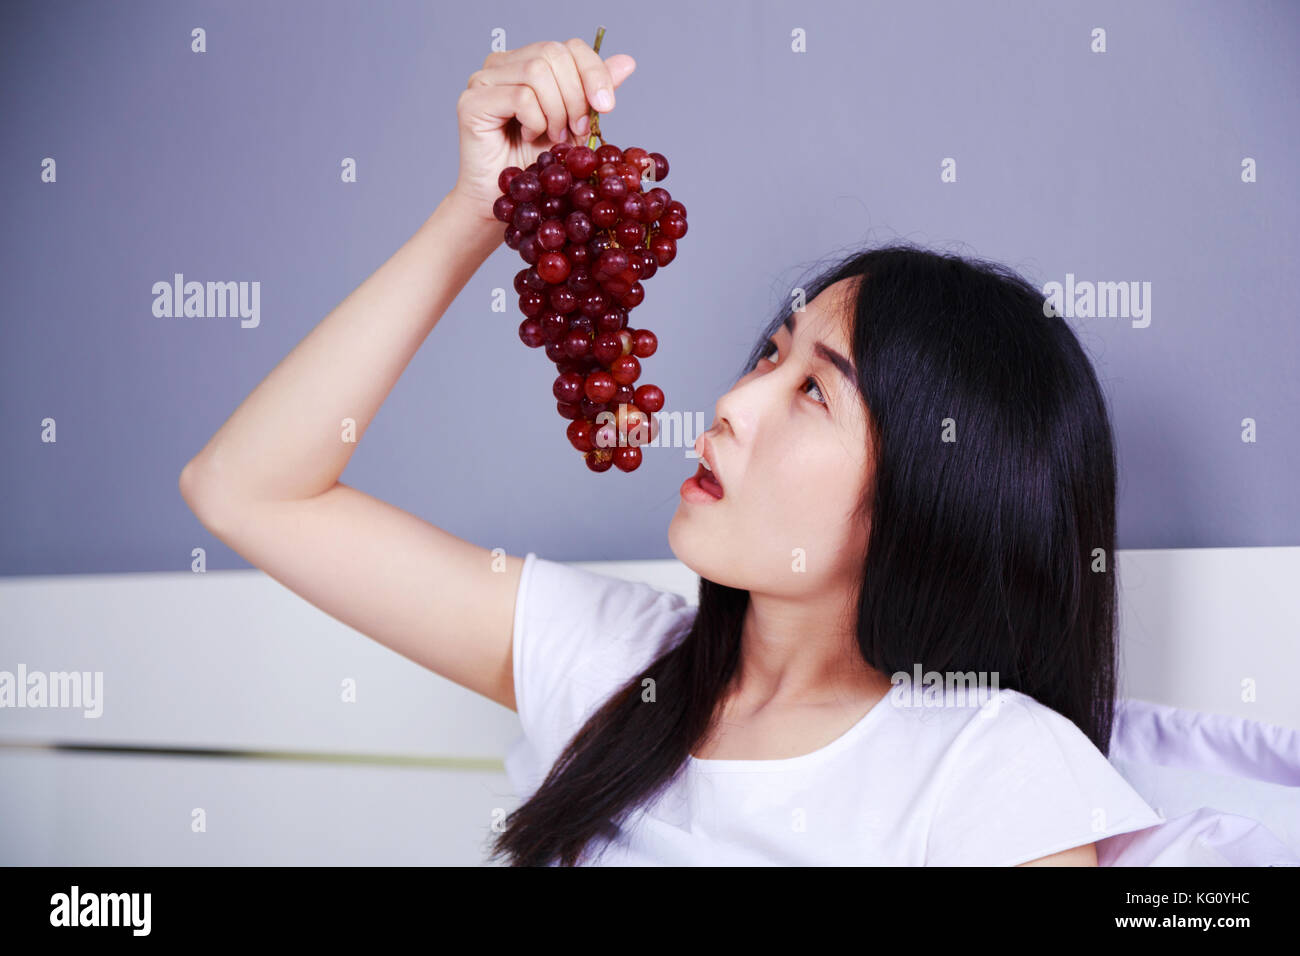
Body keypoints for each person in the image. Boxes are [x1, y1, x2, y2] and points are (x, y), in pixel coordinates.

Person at [179, 38, 1163, 867]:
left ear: (940, 486)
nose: (731, 401)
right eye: (768, 356)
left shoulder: (998, 768)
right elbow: (246, 490)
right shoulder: (621, 665)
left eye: (813, 390)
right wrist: (480, 209)